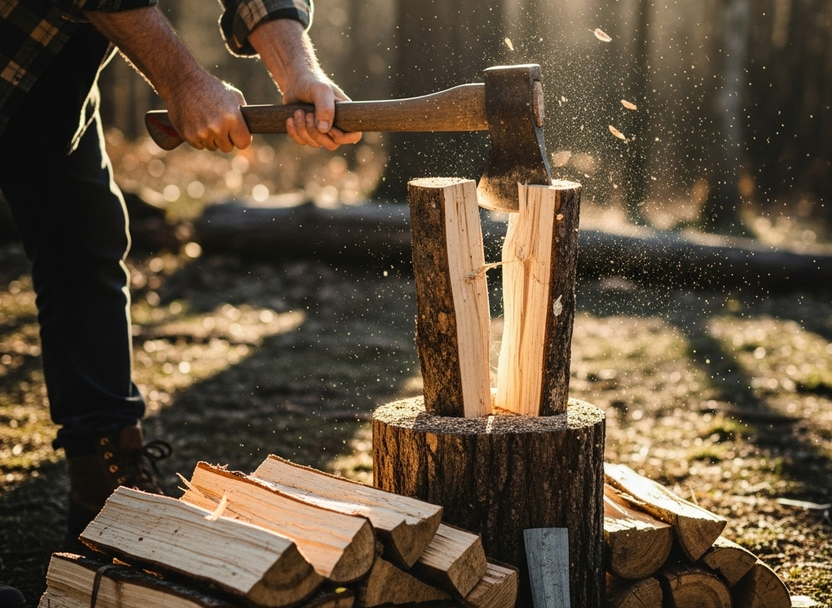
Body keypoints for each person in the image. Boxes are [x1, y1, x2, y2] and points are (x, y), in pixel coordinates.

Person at [0, 0, 361, 560]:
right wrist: (184, 81)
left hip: (55, 60)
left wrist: (299, 70)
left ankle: (108, 495)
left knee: (84, 238)